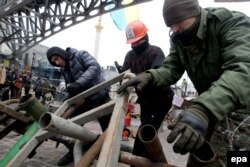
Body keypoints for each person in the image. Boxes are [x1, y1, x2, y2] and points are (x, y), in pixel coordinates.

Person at [117, 0, 250, 166]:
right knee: (200, 159)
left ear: (192, 12)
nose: (175, 29)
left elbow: (243, 71)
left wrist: (203, 109)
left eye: (178, 22)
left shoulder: (230, 24)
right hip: (208, 110)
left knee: (236, 161)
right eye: (171, 25)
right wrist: (151, 76)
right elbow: (172, 68)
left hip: (241, 114)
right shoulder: (179, 39)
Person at [46, 46, 111, 166]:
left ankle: (110, 155)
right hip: (84, 101)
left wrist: (78, 83)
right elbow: (71, 89)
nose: (57, 63)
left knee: (109, 129)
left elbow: (95, 67)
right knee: (72, 127)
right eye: (54, 62)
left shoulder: (80, 55)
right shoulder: (65, 70)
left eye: (56, 58)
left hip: (100, 95)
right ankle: (72, 150)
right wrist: (66, 102)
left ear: (61, 54)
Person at [120, 20, 174, 161]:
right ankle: (152, 161)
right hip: (145, 101)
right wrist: (122, 75)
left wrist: (140, 76)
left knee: (143, 134)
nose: (135, 45)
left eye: (138, 41)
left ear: (145, 37)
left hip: (161, 100)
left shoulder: (155, 52)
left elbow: (158, 73)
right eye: (133, 43)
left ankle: (137, 162)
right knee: (148, 134)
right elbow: (125, 74)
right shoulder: (129, 56)